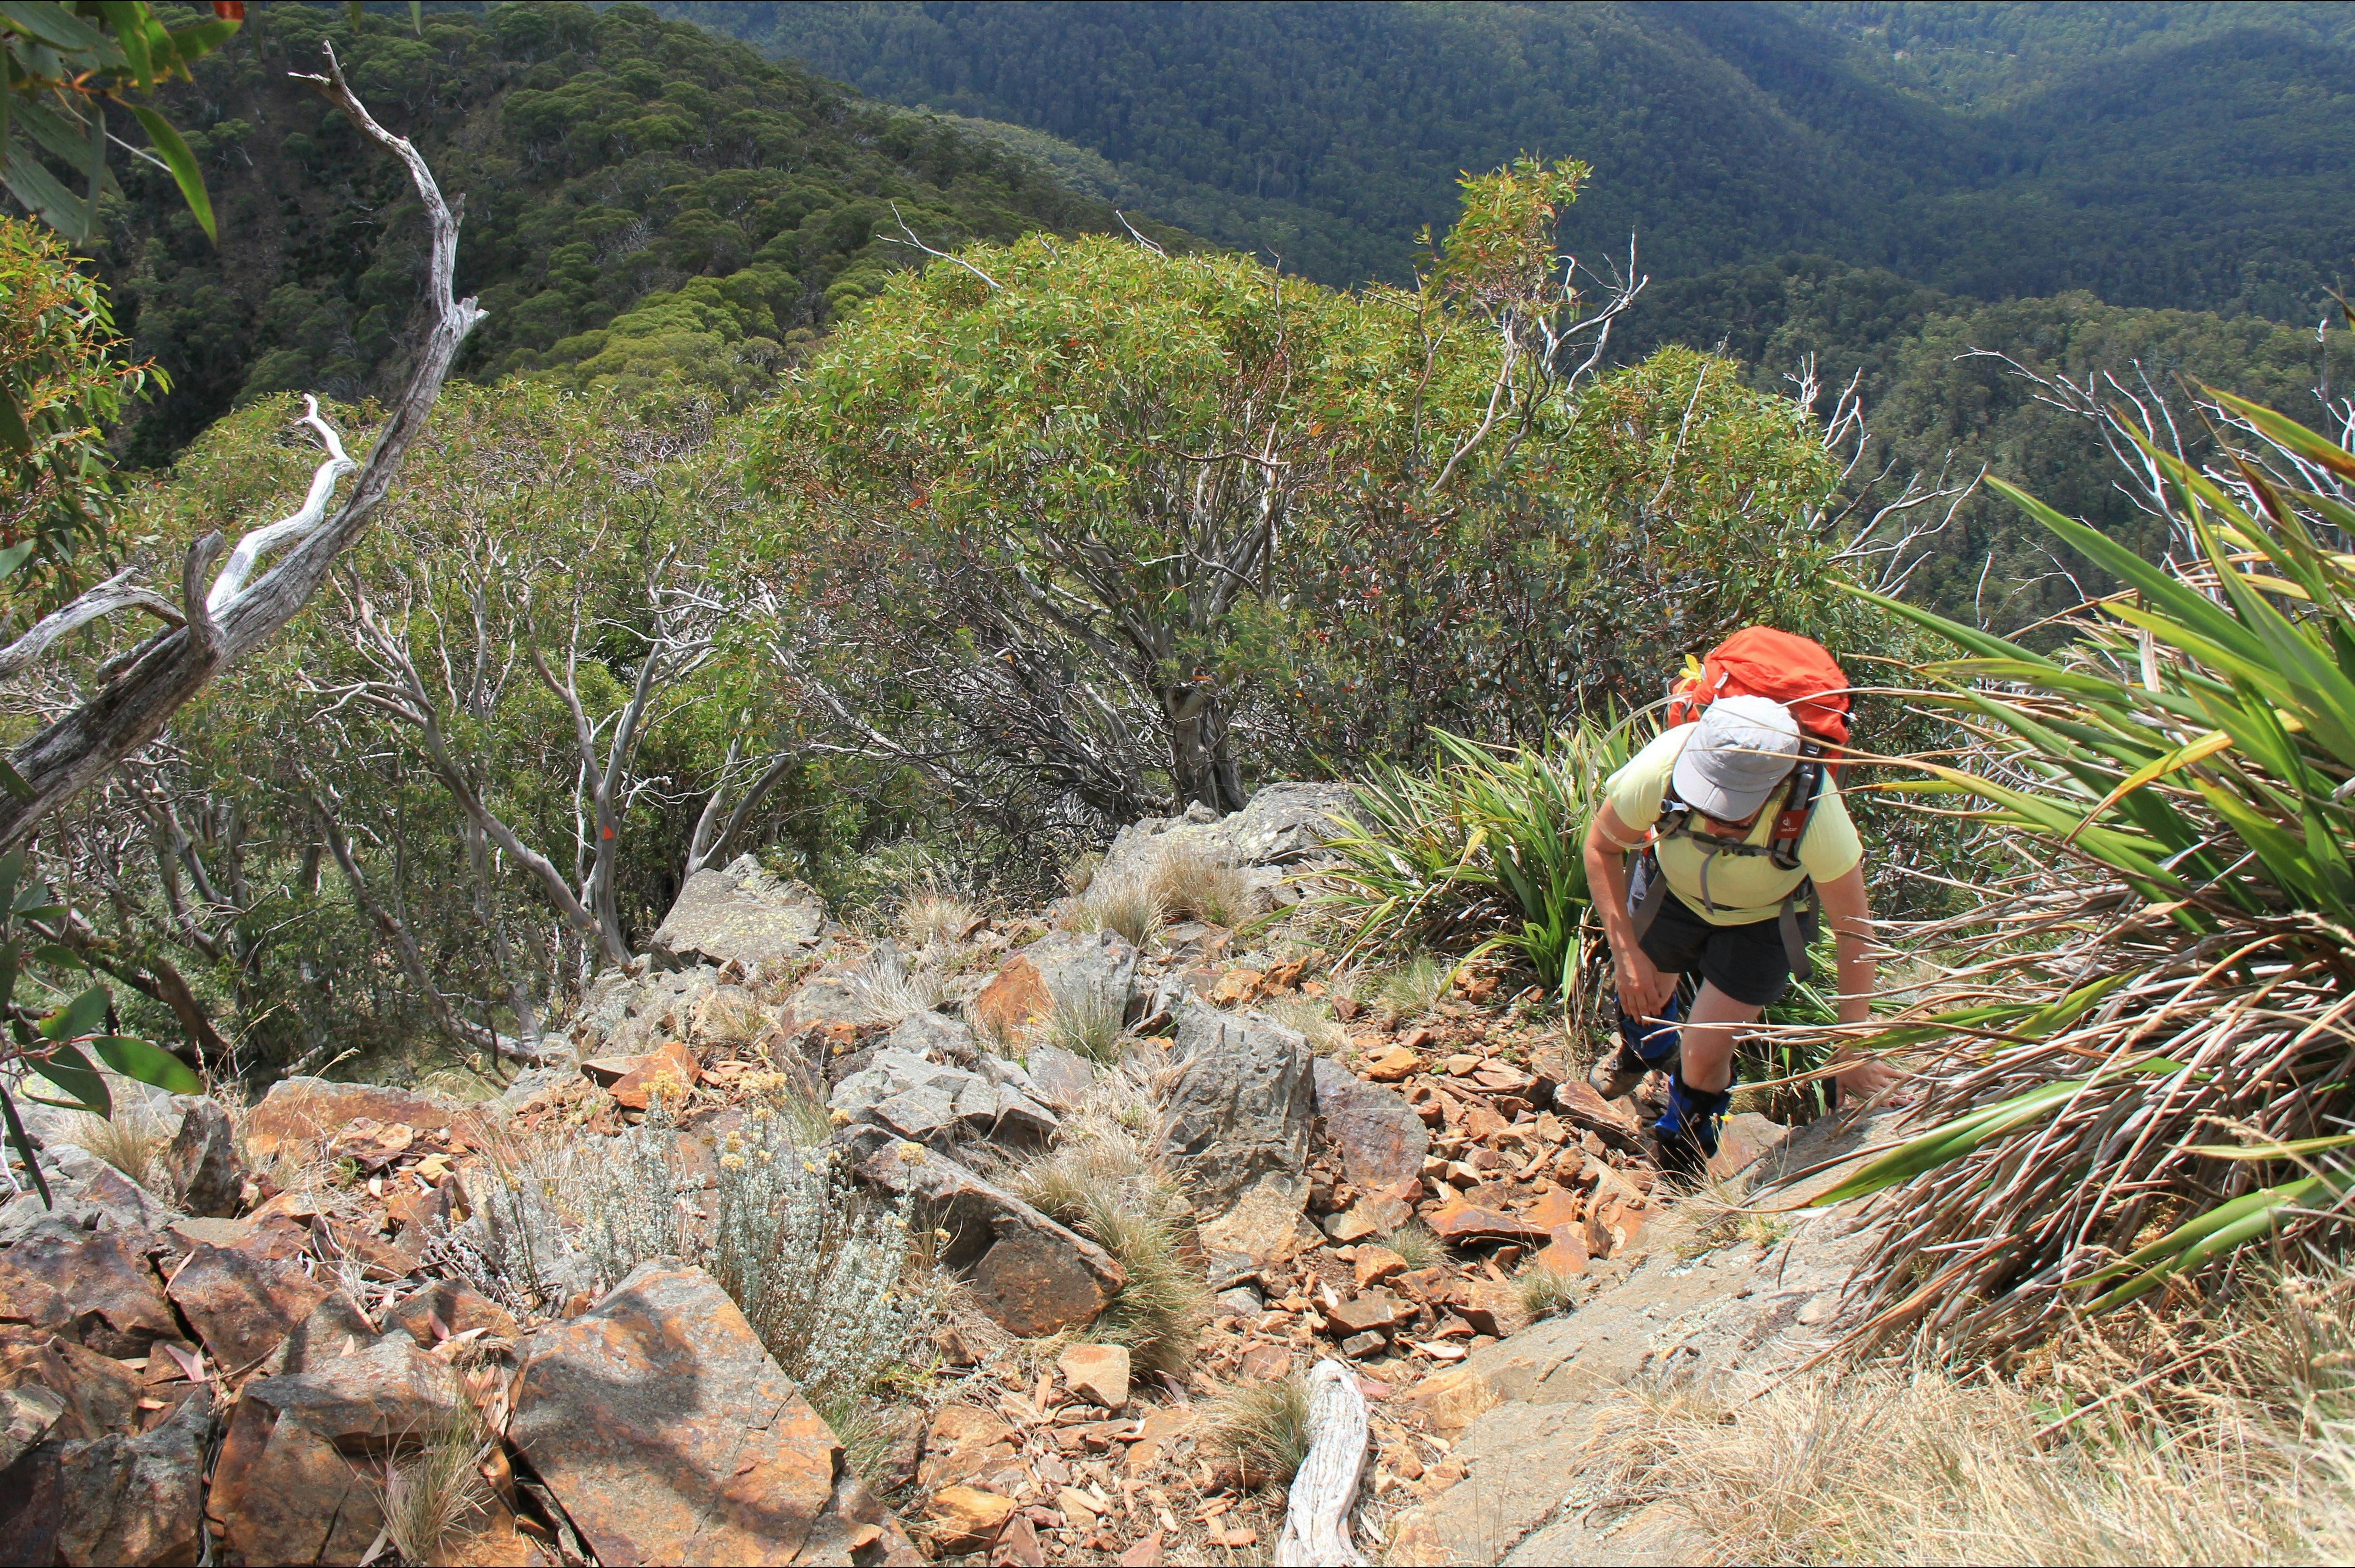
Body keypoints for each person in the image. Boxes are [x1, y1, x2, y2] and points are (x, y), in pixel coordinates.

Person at [1581, 694, 1895, 1179]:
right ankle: (1643, 1054)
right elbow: (1601, 846)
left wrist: (1848, 1047)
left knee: (1704, 1056)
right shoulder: (1662, 766)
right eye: (1705, 799)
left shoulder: (1814, 811)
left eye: (1732, 811)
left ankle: (1679, 1162)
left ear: (1777, 786)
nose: (1712, 820)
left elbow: (1854, 934)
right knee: (1641, 1000)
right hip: (1672, 892)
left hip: (1764, 920)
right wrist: (1625, 955)